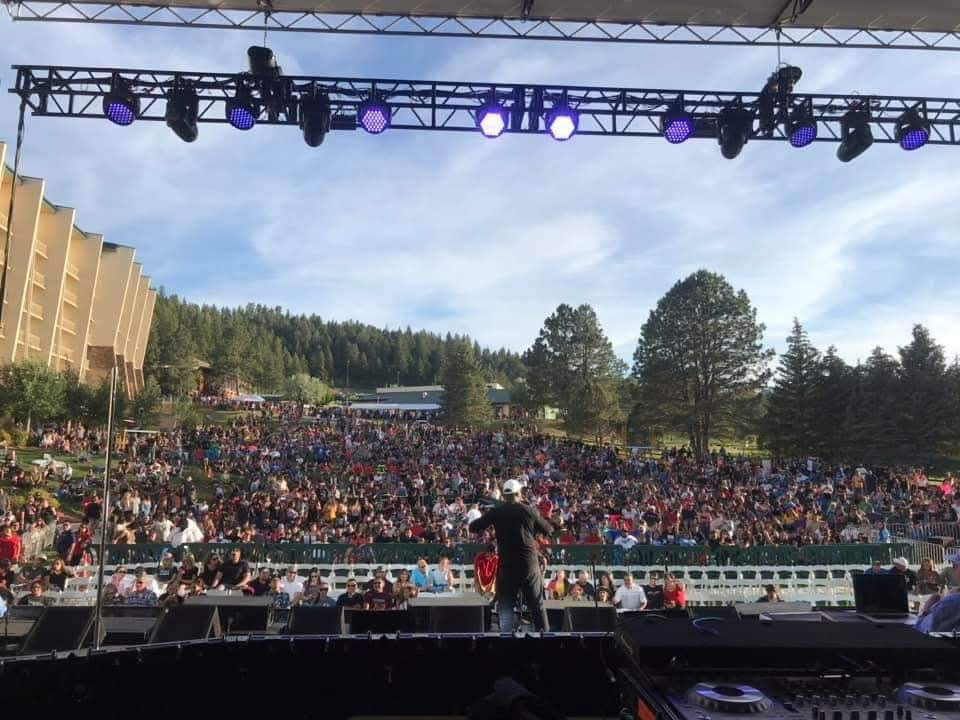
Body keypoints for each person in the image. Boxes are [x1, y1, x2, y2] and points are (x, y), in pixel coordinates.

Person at [468, 479, 553, 632]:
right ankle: (545, 640)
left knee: (506, 607)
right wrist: (531, 529)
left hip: (507, 566)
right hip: (529, 564)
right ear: (518, 493)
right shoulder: (529, 510)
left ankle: (506, 640)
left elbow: (473, 527)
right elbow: (549, 530)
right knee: (537, 605)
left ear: (504, 495)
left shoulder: (496, 512)